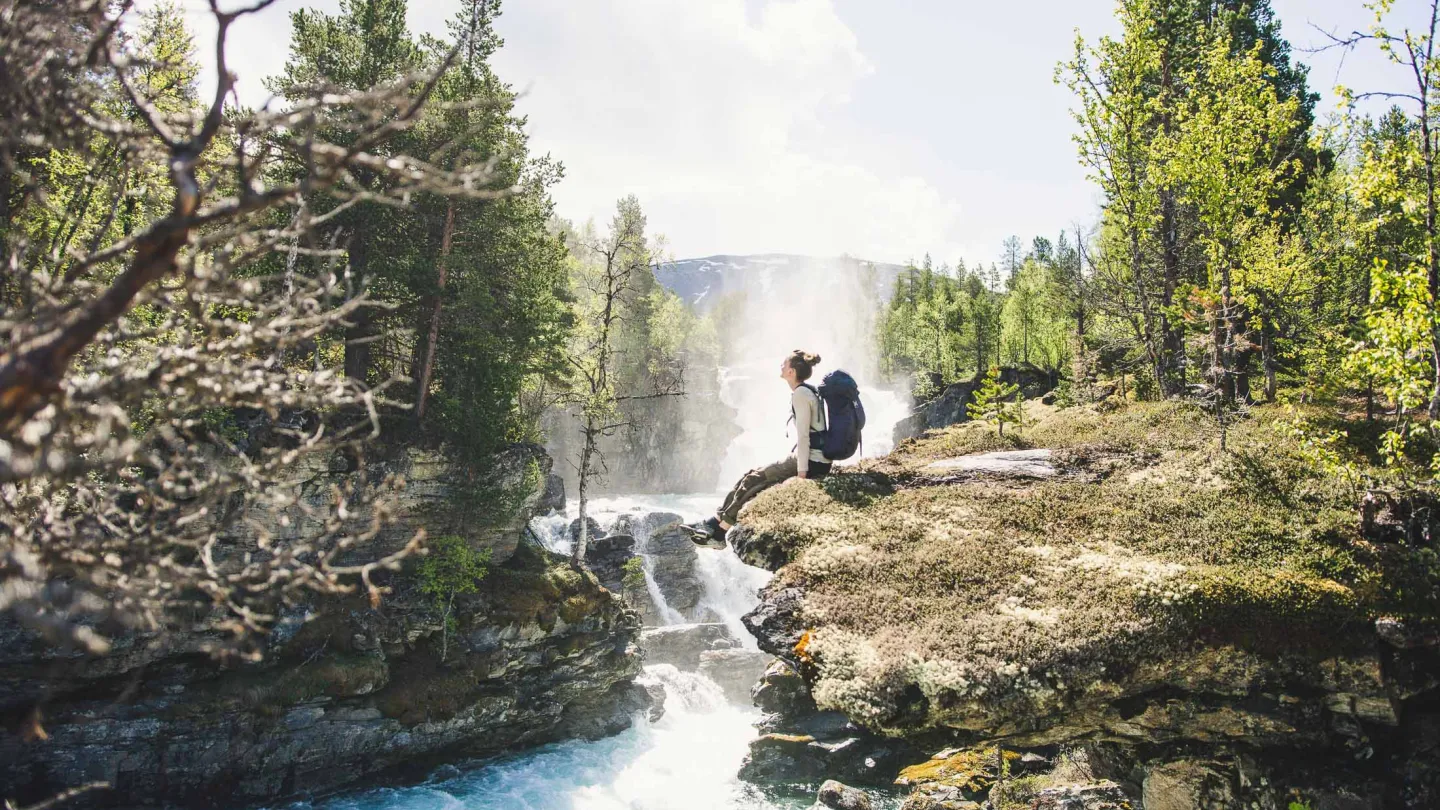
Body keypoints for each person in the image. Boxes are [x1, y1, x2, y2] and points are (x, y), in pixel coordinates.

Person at [683, 349, 832, 548]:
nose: (781, 366)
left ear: (792, 372)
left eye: (784, 364)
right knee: (750, 475)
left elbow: (804, 436)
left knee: (755, 480)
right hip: (813, 457)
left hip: (812, 461)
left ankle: (719, 533)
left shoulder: (801, 394)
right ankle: (714, 524)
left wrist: (802, 474)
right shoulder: (808, 390)